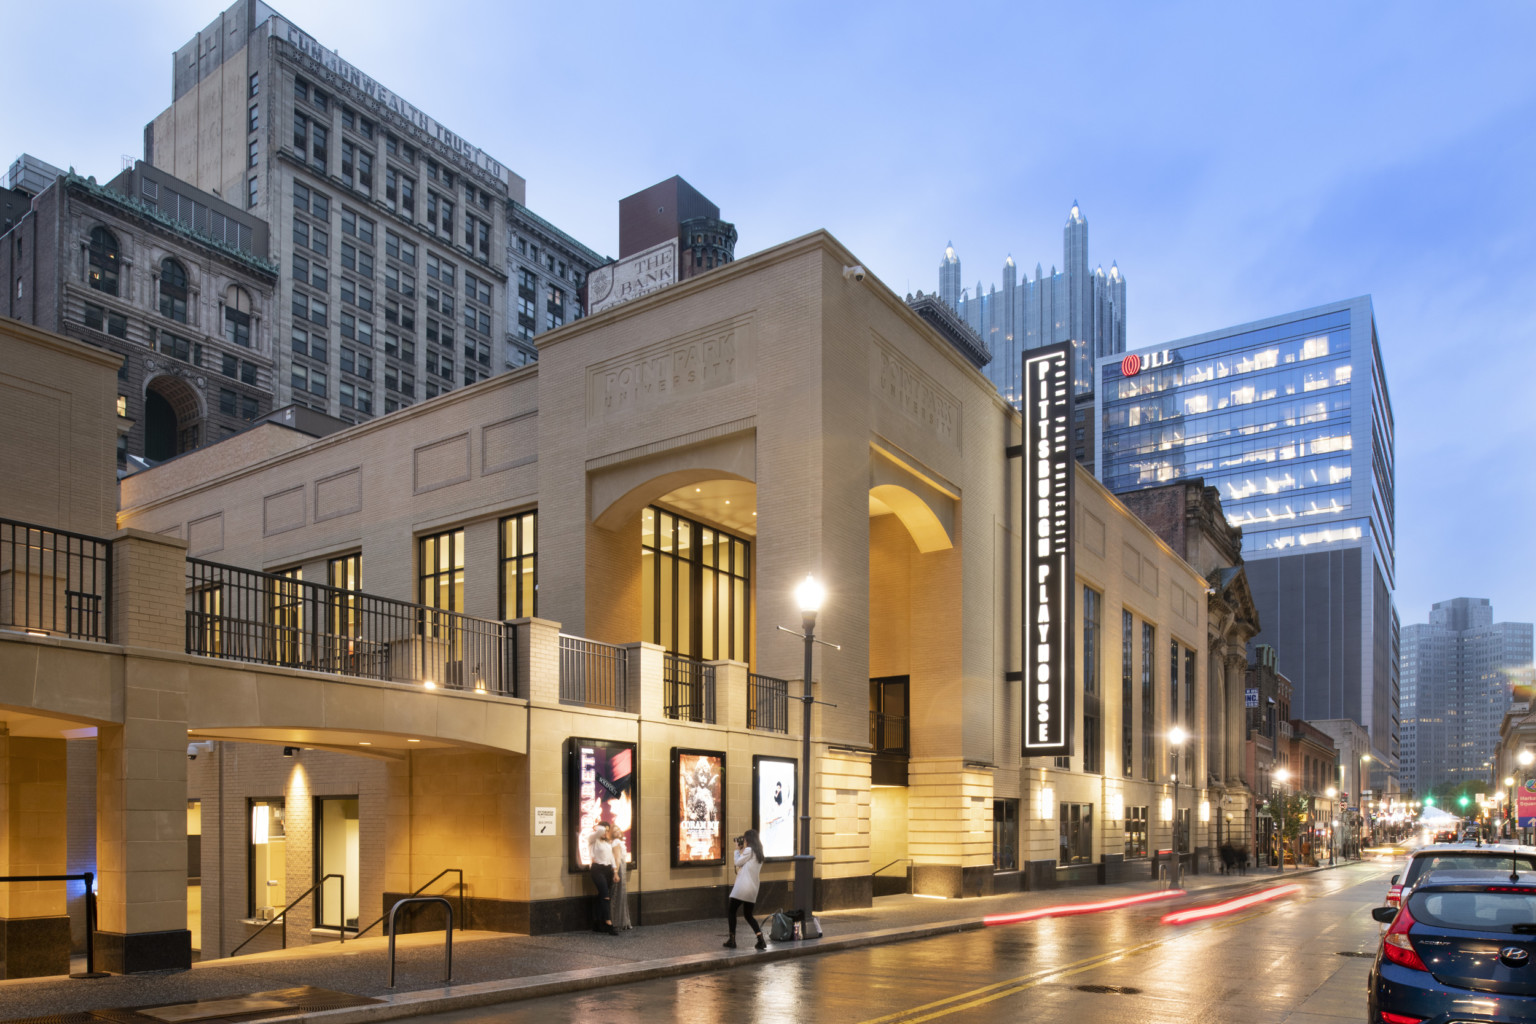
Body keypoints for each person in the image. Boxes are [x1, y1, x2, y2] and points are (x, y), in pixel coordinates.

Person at [724, 828, 766, 950]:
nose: (744, 841)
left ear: (748, 840)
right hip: (753, 888)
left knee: (731, 911)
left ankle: (732, 939)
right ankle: (760, 940)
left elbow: (738, 862)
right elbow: (746, 864)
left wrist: (737, 850)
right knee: (748, 915)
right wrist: (742, 850)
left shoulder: (749, 850)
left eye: (745, 839)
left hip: (743, 887)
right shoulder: (759, 853)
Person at [588, 821, 618, 935]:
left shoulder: (607, 843)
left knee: (602, 896)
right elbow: (599, 831)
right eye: (604, 830)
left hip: (607, 871)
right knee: (605, 896)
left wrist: (615, 872)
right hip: (597, 869)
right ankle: (608, 923)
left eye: (607, 830)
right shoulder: (593, 840)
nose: (605, 832)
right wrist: (599, 826)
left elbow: (611, 858)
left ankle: (598, 923)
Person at [610, 828, 632, 931]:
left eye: (618, 829)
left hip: (620, 867)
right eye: (614, 830)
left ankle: (619, 920)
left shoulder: (616, 842)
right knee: (618, 893)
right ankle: (618, 920)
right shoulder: (616, 842)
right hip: (619, 868)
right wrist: (616, 872)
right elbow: (617, 858)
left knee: (619, 893)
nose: (618, 831)